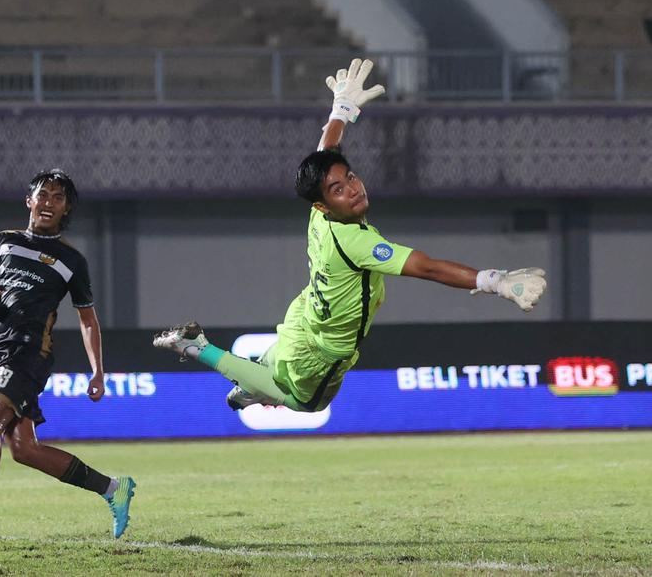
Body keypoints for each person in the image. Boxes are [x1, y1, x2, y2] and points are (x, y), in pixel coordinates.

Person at [154, 59, 548, 413]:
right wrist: (494, 282)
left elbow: (327, 152)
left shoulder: (319, 212)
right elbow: (425, 267)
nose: (353, 189)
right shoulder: (356, 244)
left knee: (270, 372)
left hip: (303, 319)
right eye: (339, 190)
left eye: (351, 178)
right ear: (325, 204)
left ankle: (252, 387)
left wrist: (342, 109)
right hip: (326, 351)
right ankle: (196, 347)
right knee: (302, 403)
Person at [0, 169, 136, 545]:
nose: (49, 202)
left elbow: (88, 320)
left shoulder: (71, 260)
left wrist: (98, 371)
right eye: (43, 195)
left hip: (30, 354)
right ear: (29, 201)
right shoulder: (2, 242)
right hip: (1, 353)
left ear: (66, 209)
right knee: (24, 450)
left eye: (58, 198)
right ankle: (113, 488)